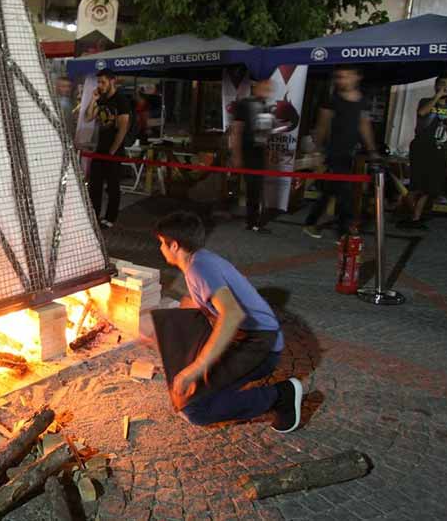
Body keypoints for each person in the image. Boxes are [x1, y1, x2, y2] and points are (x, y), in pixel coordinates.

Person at [151, 211, 303, 431]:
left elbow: (231, 314)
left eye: (161, 244)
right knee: (188, 391)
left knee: (197, 409)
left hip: (260, 345)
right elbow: (196, 303)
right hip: (245, 338)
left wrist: (195, 368)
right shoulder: (200, 259)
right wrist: (158, 334)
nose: (160, 249)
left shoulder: (199, 268)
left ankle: (281, 395)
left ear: (174, 245)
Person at [303, 66, 377, 239]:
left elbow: (364, 125)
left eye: (346, 76)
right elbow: (322, 126)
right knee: (345, 193)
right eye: (339, 77)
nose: (342, 80)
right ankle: (344, 233)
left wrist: (372, 150)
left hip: (350, 153)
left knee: (331, 190)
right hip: (334, 152)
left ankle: (311, 223)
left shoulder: (362, 101)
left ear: (357, 77)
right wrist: (317, 151)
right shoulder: (331, 100)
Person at [401, 76, 447, 229]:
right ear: (436, 86)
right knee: (415, 186)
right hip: (422, 149)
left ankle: (416, 218)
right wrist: (437, 96)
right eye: (443, 83)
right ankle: (406, 209)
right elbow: (423, 113)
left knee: (430, 188)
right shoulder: (425, 101)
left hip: (439, 151)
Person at [84, 69, 132, 229]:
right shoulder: (102, 99)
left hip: (113, 150)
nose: (100, 85)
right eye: (99, 82)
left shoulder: (121, 100)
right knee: (94, 185)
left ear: (113, 81)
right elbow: (88, 117)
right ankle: (94, 215)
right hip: (100, 148)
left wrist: (113, 150)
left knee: (112, 186)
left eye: (103, 82)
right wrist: (93, 99)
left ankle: (110, 217)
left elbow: (123, 127)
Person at [231, 79, 275, 233]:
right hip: (248, 150)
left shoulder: (267, 107)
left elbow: (266, 133)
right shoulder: (244, 104)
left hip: (260, 151)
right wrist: (237, 154)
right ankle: (252, 222)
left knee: (258, 187)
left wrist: (268, 153)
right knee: (253, 187)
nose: (268, 90)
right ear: (256, 87)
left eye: (269, 87)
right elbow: (236, 130)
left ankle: (256, 220)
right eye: (265, 86)